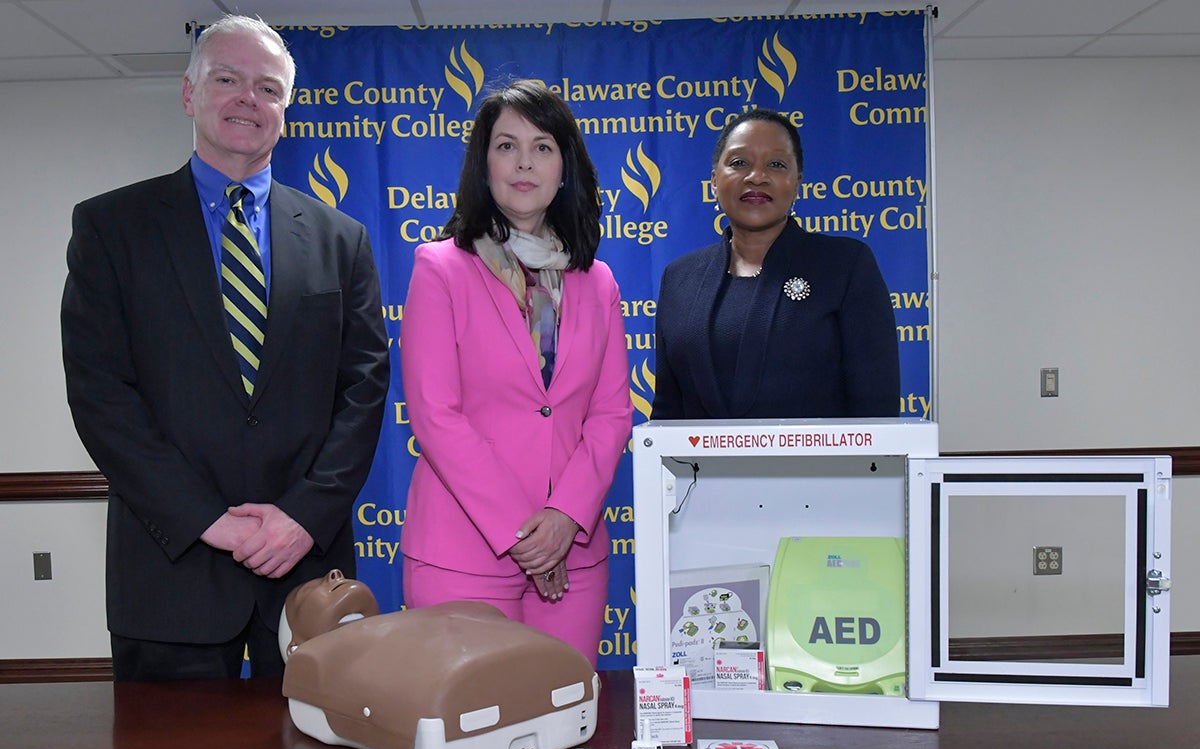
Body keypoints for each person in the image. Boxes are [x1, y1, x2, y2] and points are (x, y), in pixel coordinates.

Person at [60, 14, 390, 681]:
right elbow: (101, 396)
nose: (249, 99)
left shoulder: (340, 239)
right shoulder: (111, 228)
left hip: (305, 577)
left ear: (286, 110)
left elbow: (363, 390)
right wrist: (209, 520)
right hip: (169, 570)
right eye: (228, 79)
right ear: (189, 94)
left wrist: (303, 516)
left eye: (268, 88)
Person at [399, 79, 631, 666]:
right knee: (466, 739)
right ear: (484, 165)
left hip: (572, 555)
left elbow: (610, 414)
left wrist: (563, 520)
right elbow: (435, 415)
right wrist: (527, 539)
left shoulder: (597, 281)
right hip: (463, 552)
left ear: (564, 168)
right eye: (506, 145)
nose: (524, 162)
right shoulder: (440, 268)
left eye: (542, 146)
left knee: (563, 728)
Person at [651, 109, 899, 419]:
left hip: (822, 468)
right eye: (739, 163)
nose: (757, 176)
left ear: (796, 183)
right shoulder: (679, 278)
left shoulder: (845, 266)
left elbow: (876, 408)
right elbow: (667, 411)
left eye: (776, 165)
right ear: (714, 180)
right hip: (703, 469)